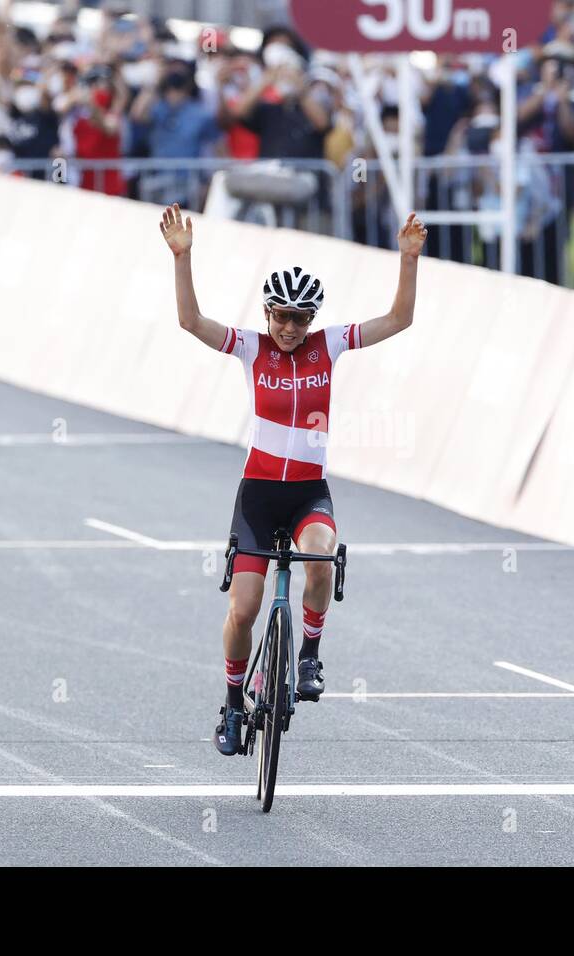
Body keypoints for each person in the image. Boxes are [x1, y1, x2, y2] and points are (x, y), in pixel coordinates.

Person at [158, 202, 428, 757]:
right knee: (245, 608)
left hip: (308, 493)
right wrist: (183, 258)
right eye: (280, 316)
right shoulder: (252, 349)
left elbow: (398, 320)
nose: (288, 328)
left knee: (323, 555)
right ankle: (233, 704)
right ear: (267, 313)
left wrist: (408, 260)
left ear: (312, 320)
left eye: (298, 319)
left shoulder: (327, 346)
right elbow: (191, 321)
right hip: (258, 496)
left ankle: (309, 654)